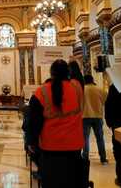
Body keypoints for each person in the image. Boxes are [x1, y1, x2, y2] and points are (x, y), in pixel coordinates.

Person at [26, 59, 85, 188]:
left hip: (50, 149)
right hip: (74, 146)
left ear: (51, 73)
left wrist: (31, 142)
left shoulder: (41, 92)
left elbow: (34, 122)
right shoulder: (77, 87)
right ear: (68, 73)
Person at [82, 75, 108, 164]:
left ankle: (85, 158)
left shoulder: (82, 90)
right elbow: (105, 101)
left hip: (85, 116)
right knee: (100, 138)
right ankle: (103, 158)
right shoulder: (100, 90)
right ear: (92, 80)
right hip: (97, 116)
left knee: (85, 138)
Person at [105, 84, 121, 187]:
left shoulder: (115, 86)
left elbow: (108, 105)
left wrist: (110, 123)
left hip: (118, 124)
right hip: (120, 123)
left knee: (119, 150)